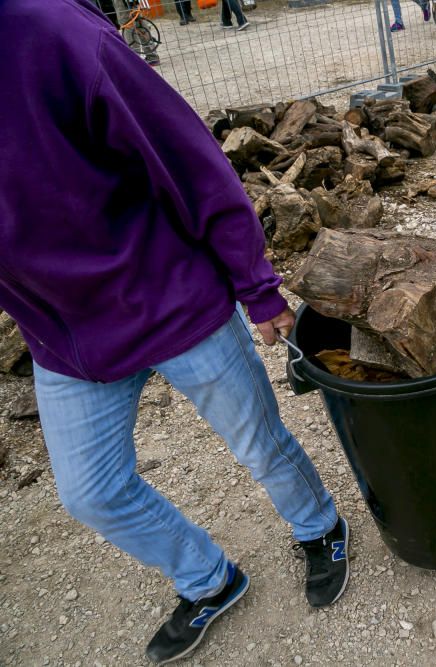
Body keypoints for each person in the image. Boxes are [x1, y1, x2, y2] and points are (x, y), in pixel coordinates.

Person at [0, 0, 350, 663]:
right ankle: (209, 577)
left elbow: (188, 157)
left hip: (168, 294)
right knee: (91, 491)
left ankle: (320, 526)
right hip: (64, 335)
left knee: (258, 440)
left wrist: (256, 284)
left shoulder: (53, 33)